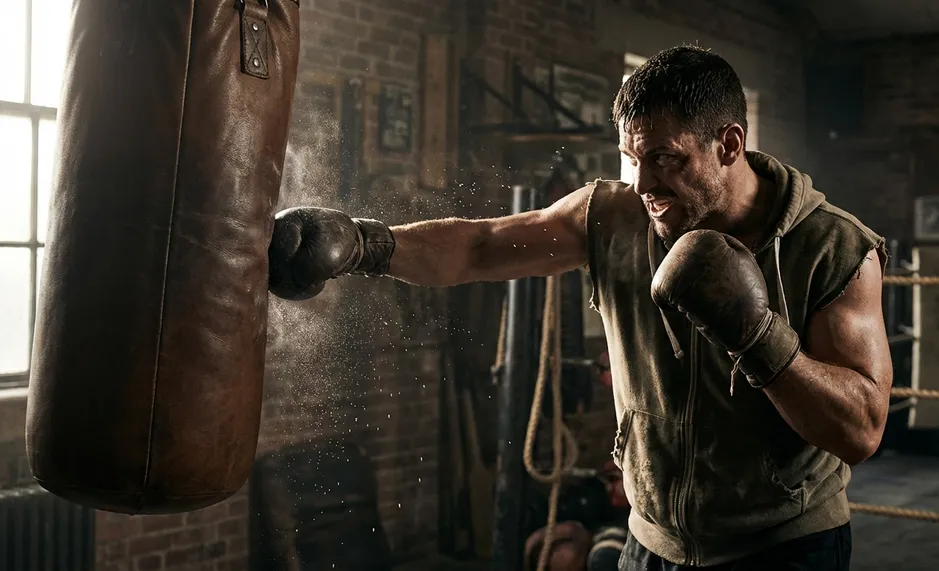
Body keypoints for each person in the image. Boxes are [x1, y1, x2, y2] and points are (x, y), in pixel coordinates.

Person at [267, 44, 893, 571]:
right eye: (631, 158)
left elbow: (860, 430)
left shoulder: (833, 246)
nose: (643, 183)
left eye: (665, 159)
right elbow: (482, 248)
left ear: (729, 143)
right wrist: (365, 244)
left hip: (781, 549)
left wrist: (759, 337)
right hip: (651, 546)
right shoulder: (614, 216)